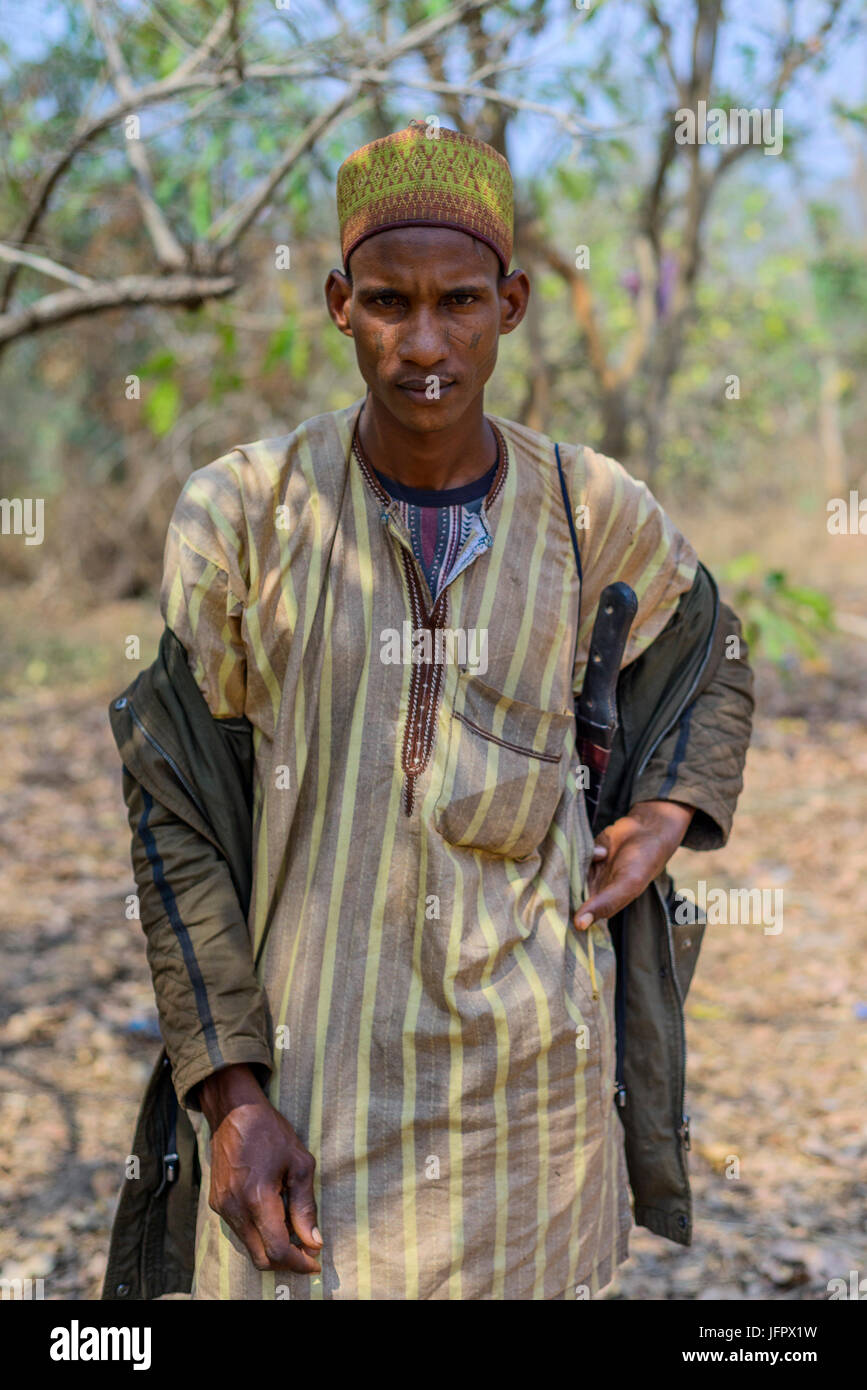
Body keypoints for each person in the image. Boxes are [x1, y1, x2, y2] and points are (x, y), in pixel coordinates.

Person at [103, 121, 754, 1301]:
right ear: (339, 303)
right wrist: (233, 1095)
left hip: (534, 1118)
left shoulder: (586, 504)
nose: (424, 344)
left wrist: (668, 809)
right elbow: (177, 815)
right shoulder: (245, 514)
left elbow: (711, 649)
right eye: (389, 303)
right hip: (312, 1102)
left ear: (509, 303)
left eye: (458, 301)